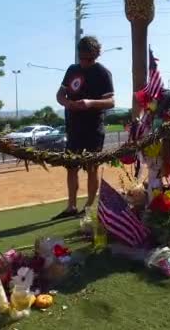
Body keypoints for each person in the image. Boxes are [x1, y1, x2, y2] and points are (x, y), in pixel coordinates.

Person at [55, 36, 115, 219]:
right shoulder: (72, 70)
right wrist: (67, 103)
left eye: (89, 59)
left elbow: (111, 101)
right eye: (82, 58)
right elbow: (60, 94)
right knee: (71, 166)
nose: (85, 62)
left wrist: (89, 103)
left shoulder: (103, 73)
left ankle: (89, 206)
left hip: (93, 128)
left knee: (92, 167)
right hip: (73, 127)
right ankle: (71, 205)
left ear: (96, 55)